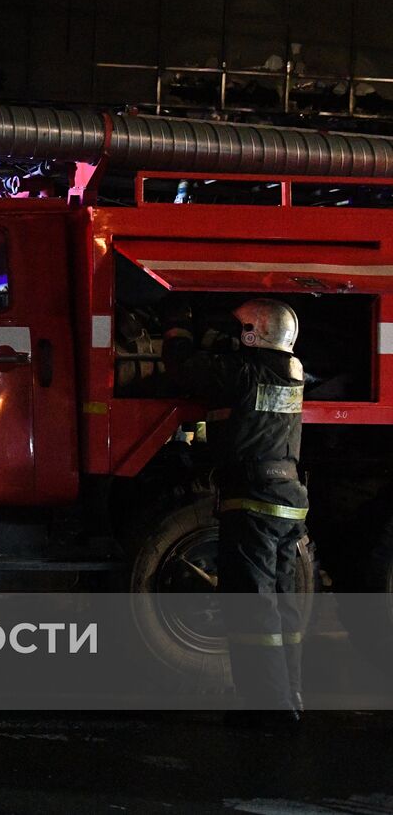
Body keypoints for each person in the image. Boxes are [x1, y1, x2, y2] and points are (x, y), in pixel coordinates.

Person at [163, 297, 307, 726]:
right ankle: (288, 698)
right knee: (283, 610)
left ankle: (268, 711)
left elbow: (184, 368)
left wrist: (178, 328)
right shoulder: (289, 371)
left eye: (241, 328)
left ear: (254, 333)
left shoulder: (243, 373)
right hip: (287, 500)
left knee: (253, 610)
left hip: (254, 502)